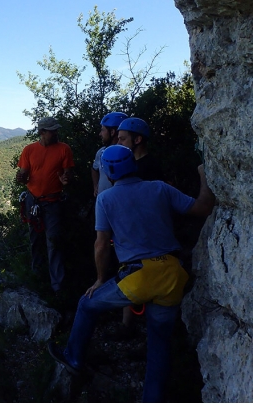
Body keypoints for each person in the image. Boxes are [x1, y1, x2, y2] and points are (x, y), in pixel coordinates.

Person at [48, 145, 215, 402]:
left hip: (139, 276)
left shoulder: (106, 199)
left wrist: (101, 278)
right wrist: (203, 174)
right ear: (132, 165)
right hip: (172, 274)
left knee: (87, 304)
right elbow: (203, 208)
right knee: (158, 344)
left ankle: (74, 358)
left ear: (109, 173)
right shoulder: (159, 187)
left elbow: (101, 244)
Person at [109, 117, 166, 340]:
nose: (119, 143)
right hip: (132, 233)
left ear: (138, 139)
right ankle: (128, 325)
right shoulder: (134, 166)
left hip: (145, 235)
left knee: (135, 277)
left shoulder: (150, 168)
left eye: (122, 139)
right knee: (127, 275)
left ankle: (137, 330)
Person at [16, 116, 75, 296]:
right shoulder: (29, 150)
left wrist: (66, 180)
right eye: (52, 131)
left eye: (56, 130)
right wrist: (21, 178)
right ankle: (37, 277)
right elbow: (23, 174)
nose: (56, 133)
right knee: (35, 239)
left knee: (53, 242)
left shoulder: (64, 149)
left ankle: (57, 287)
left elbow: (68, 174)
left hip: (52, 201)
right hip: (33, 200)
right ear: (42, 132)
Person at [92, 112, 128, 197]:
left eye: (102, 130)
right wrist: (95, 186)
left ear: (112, 132)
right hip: (103, 201)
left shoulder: (128, 155)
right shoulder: (101, 152)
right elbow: (94, 169)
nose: (100, 134)